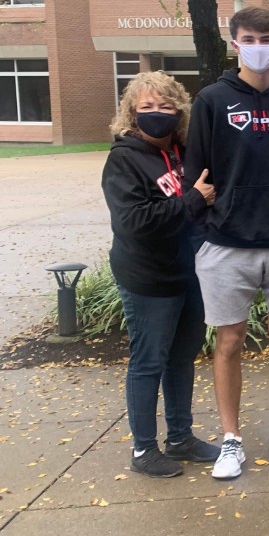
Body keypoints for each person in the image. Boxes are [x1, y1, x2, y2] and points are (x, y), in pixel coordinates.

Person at [184, 7, 269, 480]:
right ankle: (231, 440)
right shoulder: (212, 100)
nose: (259, 45)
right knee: (229, 340)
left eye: (267, 37)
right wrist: (206, 231)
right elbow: (196, 175)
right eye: (249, 38)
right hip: (228, 244)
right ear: (234, 42)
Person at [102, 72, 218, 477]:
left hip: (189, 273)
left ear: (179, 110)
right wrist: (192, 202)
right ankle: (143, 449)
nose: (157, 113)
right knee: (148, 362)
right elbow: (135, 221)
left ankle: (181, 437)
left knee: (181, 358)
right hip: (148, 278)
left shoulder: (185, 153)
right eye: (147, 107)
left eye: (165, 106)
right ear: (132, 113)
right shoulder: (125, 159)